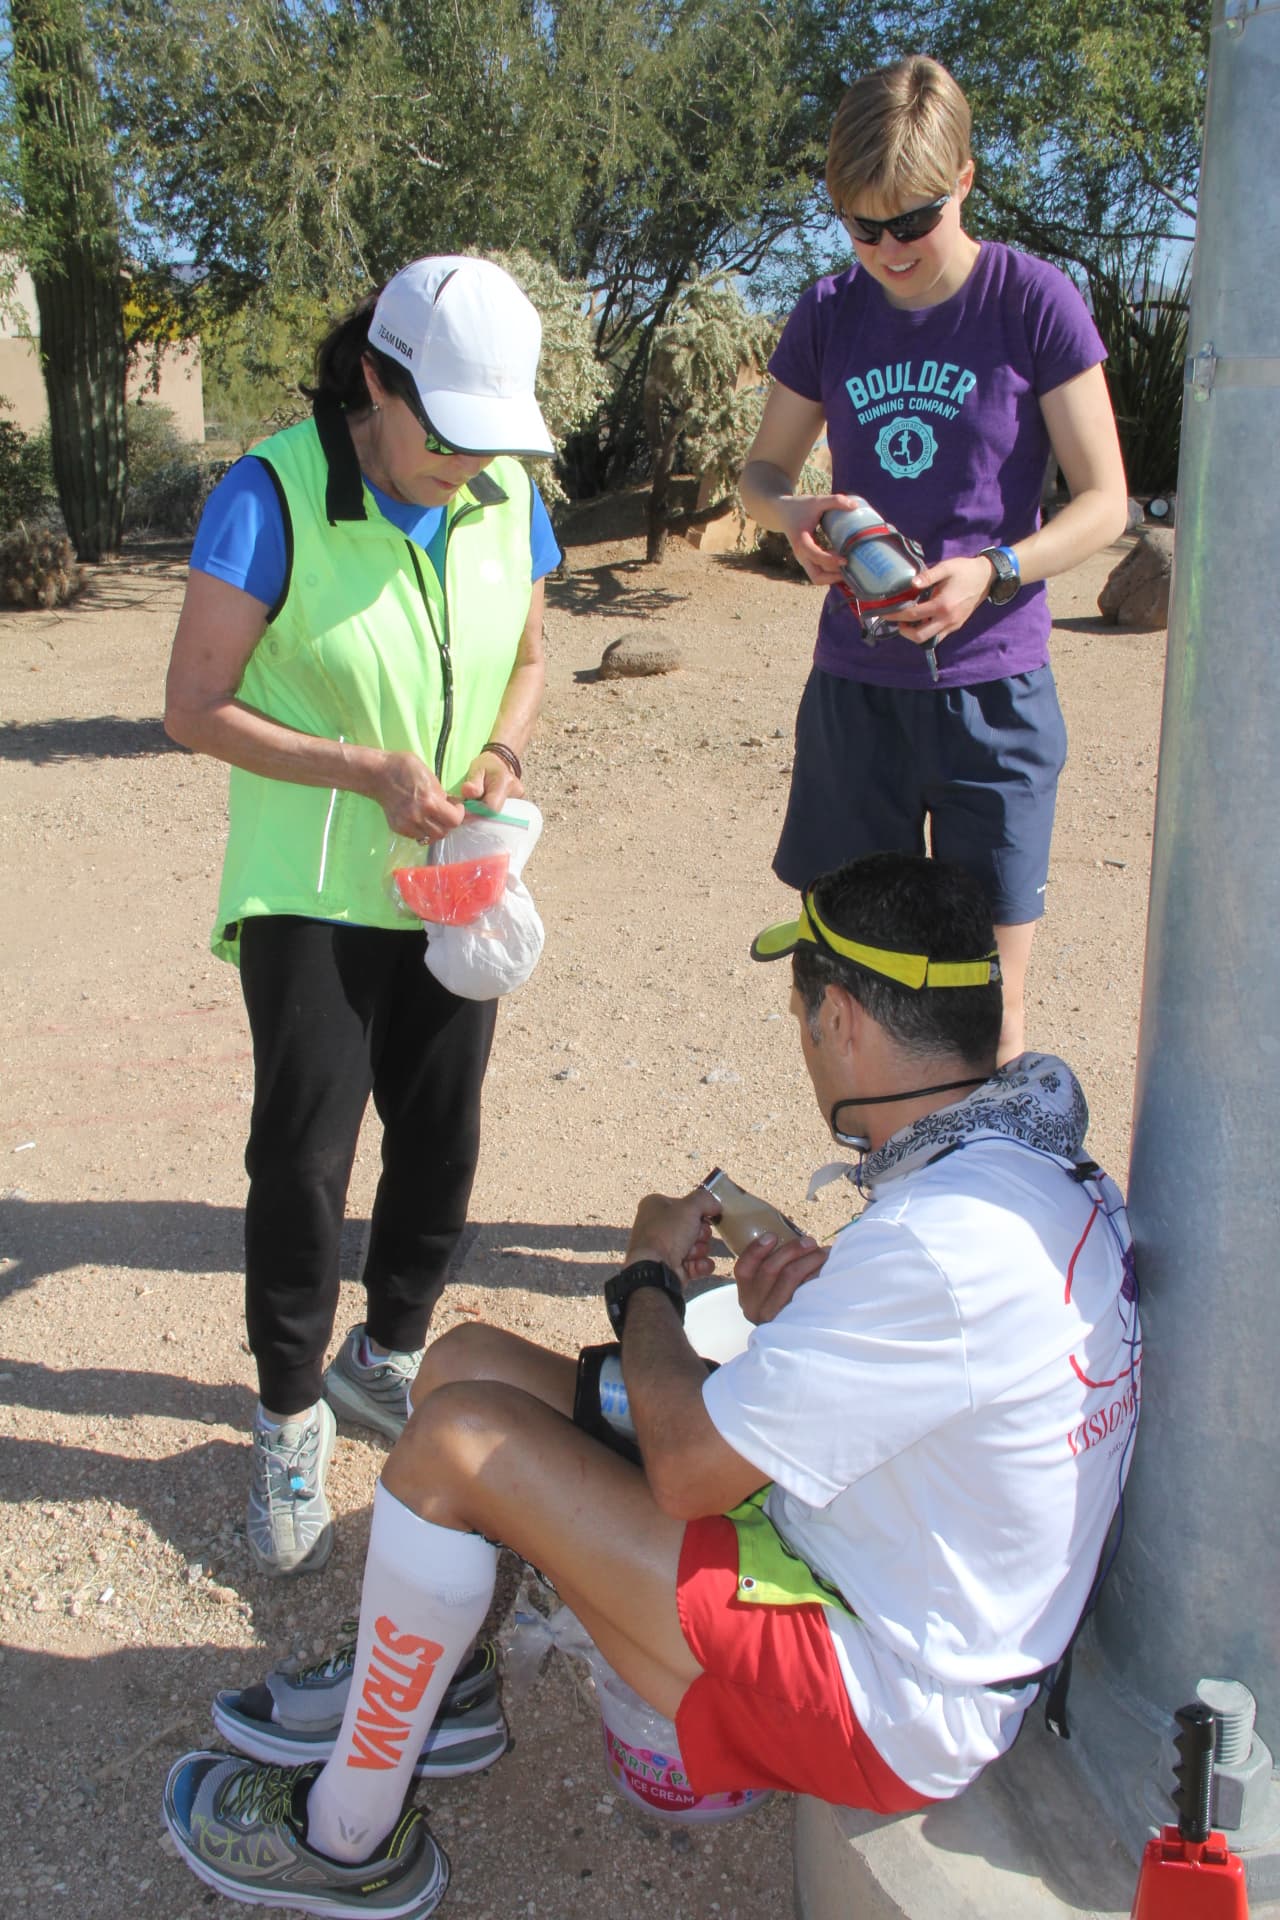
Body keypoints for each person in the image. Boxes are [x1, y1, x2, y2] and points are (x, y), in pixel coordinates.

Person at [162, 852, 1142, 1917]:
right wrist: (800, 1315)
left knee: (458, 1438)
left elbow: (685, 1472)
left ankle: (346, 1838)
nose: (805, 1043)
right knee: (464, 1362)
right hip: (875, 1561)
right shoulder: (1017, 1164)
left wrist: (644, 1282)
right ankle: (439, 1688)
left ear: (841, 1018)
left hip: (882, 1693)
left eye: (802, 1016)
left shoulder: (933, 1248)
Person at [164, 255, 562, 1577]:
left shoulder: (505, 492)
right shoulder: (270, 493)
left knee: (442, 1140)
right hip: (314, 888)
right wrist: (361, 770)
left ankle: (382, 1357)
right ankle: (288, 1419)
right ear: (377, 386)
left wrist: (500, 753)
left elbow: (529, 654)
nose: (469, 464)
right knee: (305, 1160)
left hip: (453, 882)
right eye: (446, 434)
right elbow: (193, 706)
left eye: (489, 438)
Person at [739, 56, 1130, 1063]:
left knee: (986, 995)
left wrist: (993, 571)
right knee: (850, 984)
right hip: (855, 693)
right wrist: (793, 515)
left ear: (963, 180)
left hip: (992, 696)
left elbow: (1104, 503)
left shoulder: (1031, 301)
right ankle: (878, 1166)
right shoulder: (829, 310)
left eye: (912, 221)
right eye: (861, 228)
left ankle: (980, 1166)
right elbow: (760, 474)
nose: (887, 250)